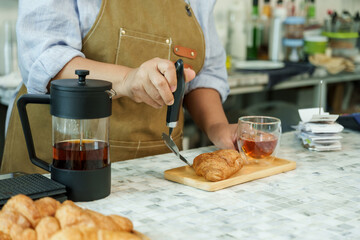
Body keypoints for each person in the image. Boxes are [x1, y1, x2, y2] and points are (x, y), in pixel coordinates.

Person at [1, 0, 237, 174]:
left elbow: (204, 74)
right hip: (58, 166)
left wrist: (218, 127)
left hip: (153, 177)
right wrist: (128, 80)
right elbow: (47, 60)